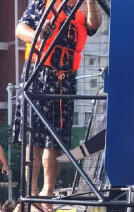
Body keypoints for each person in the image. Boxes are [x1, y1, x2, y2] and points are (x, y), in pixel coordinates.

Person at [13, 0, 102, 200]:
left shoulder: (81, 8)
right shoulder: (43, 3)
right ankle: (32, 192)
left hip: (65, 78)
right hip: (38, 74)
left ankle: (48, 191)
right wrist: (38, 34)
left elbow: (94, 24)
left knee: (54, 140)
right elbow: (20, 29)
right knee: (33, 137)